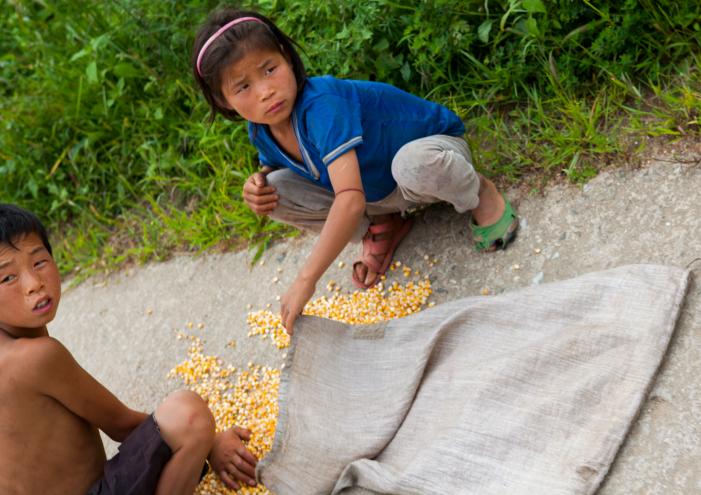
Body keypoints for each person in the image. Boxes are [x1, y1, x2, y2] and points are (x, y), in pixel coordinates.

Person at [192, 8, 519, 333]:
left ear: (287, 58)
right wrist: (257, 182)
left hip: (432, 154)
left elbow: (349, 199)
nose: (266, 91)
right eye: (243, 87)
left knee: (412, 165)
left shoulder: (322, 106)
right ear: (223, 100)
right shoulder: (260, 128)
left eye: (269, 69)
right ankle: (383, 223)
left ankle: (479, 192)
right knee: (274, 189)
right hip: (378, 191)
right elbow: (281, 163)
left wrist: (306, 280)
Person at [0, 203, 258, 494]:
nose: (34, 284)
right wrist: (213, 442)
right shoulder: (35, 357)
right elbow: (120, 425)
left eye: (39, 262)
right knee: (189, 415)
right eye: (7, 277)